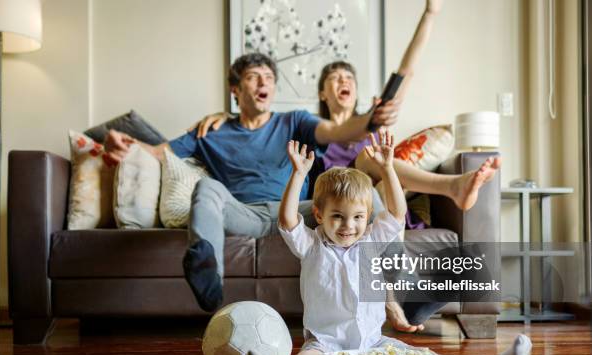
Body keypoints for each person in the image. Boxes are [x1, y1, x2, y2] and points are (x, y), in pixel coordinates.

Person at [192, 0, 500, 331]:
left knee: (370, 165)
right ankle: (446, 199)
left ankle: (404, 293)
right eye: (335, 76)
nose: (344, 80)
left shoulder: (371, 126)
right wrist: (226, 118)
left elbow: (404, 74)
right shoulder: (309, 130)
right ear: (322, 92)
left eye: (349, 76)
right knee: (366, 168)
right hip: (328, 201)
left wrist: (430, 14)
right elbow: (263, 130)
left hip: (370, 195)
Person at [242, 130, 531, 355]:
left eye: (357, 217)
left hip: (373, 344)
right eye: (338, 217)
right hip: (325, 345)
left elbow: (396, 211)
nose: (348, 226)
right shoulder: (311, 245)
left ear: (367, 217)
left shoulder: (372, 241)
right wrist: (298, 174)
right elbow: (287, 221)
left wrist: (388, 168)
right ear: (318, 214)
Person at [103, 52, 402, 312]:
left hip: (299, 212)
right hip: (244, 214)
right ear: (235, 89)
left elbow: (336, 132)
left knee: (368, 197)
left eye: (269, 77)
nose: (263, 83)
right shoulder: (210, 131)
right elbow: (158, 152)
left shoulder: (295, 121)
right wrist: (120, 144)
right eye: (253, 77)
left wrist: (369, 121)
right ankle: (208, 277)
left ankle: (405, 290)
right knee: (206, 188)